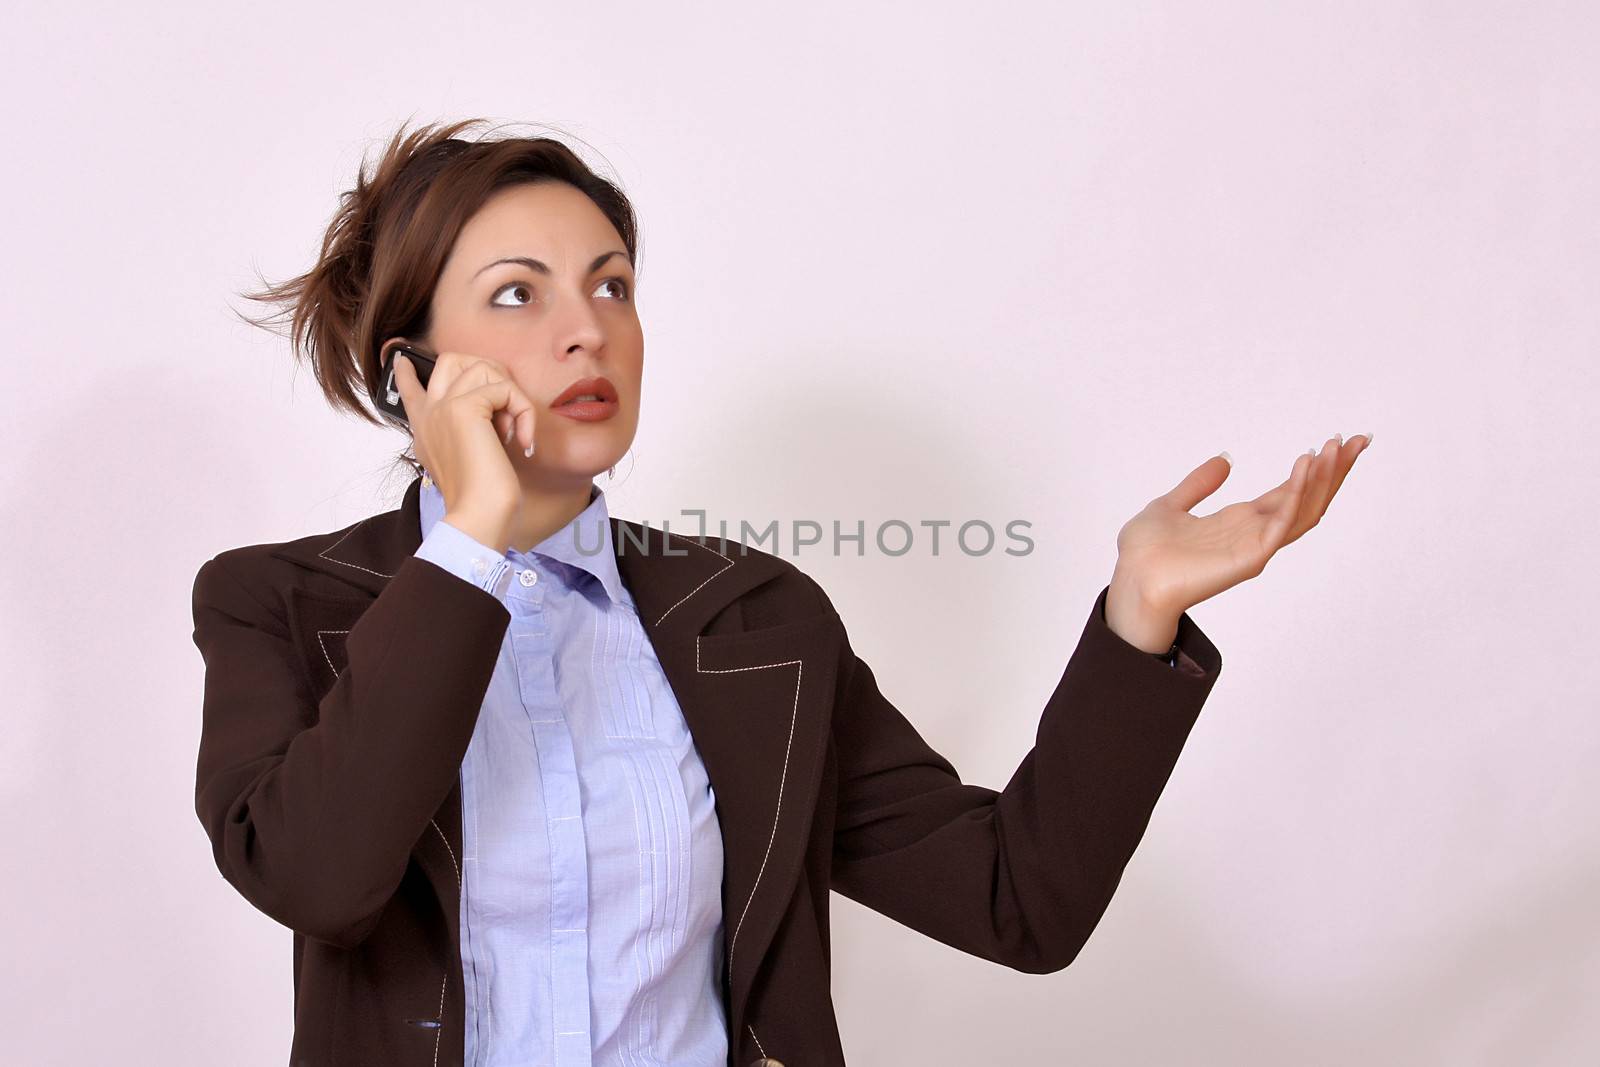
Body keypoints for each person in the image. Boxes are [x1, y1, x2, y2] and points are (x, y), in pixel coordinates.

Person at [190, 117, 1371, 1067]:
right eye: (518, 293)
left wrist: (1139, 612)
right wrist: (475, 541)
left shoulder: (752, 616)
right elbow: (318, 879)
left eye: (611, 285)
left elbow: (1019, 901)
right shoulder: (278, 602)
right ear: (410, 372)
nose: (586, 331)